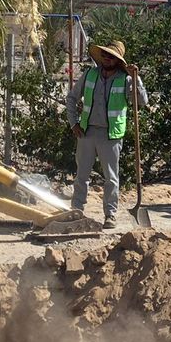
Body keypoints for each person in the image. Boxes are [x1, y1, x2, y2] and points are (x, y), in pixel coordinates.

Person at [66, 40, 149, 228]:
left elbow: (142, 101)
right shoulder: (90, 75)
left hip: (111, 135)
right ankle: (76, 210)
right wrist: (74, 123)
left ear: (117, 60)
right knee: (82, 175)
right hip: (87, 132)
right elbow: (72, 98)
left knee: (111, 177)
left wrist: (137, 79)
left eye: (110, 56)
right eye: (104, 55)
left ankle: (110, 215)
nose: (106, 58)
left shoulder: (126, 79)